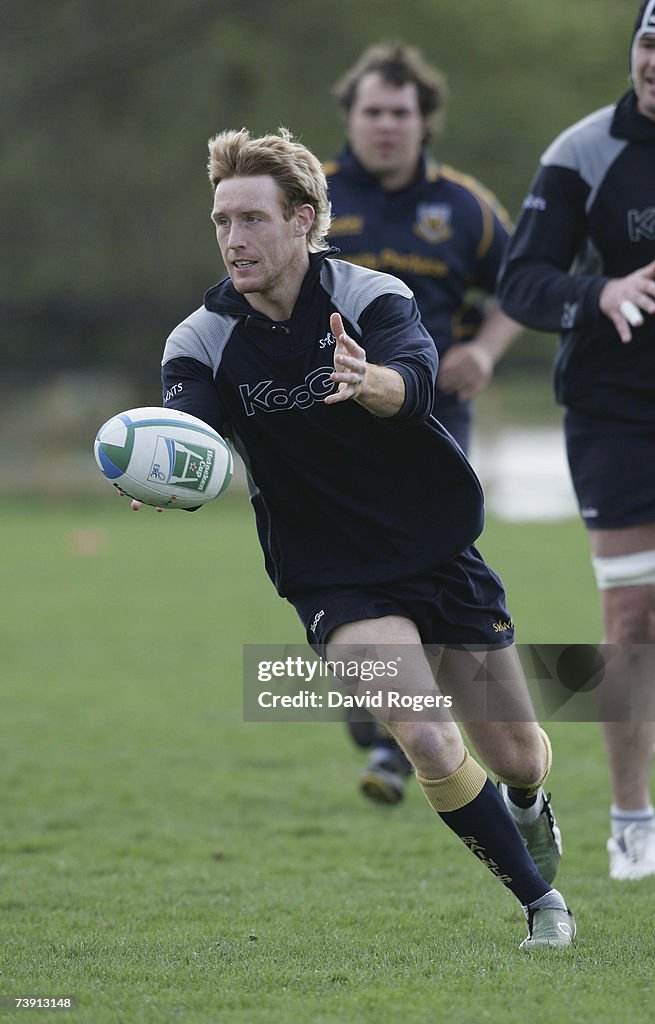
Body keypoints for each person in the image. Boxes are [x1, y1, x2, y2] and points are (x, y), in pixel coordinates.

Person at [131, 125, 574, 947]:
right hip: (332, 573)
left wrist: (363, 379)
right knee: (424, 735)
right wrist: (165, 469)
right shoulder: (199, 338)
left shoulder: (371, 297)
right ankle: (540, 906)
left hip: (436, 547)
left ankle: (526, 801)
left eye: (253, 218)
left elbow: (414, 384)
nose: (234, 239)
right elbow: (187, 427)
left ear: (303, 220)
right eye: (222, 221)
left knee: (516, 754)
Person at [324, 42, 524, 804]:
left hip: (433, 418)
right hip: (331, 424)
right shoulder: (316, 197)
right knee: (348, 566)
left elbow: (518, 286)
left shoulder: (465, 206)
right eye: (372, 111)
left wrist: (486, 348)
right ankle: (386, 726)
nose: (385, 126)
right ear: (349, 116)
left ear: (423, 121)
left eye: (400, 113)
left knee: (430, 561)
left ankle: (390, 736)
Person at [498, 1, 655, 881]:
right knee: (633, 617)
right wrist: (596, 294)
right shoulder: (583, 152)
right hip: (616, 412)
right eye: (647, 43)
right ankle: (632, 819)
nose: (654, 62)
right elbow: (521, 280)